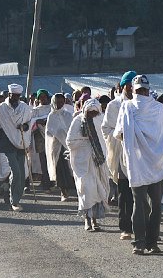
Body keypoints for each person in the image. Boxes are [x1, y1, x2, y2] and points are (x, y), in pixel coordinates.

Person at [115, 74, 163, 255]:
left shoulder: (129, 107)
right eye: (139, 90)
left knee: (143, 204)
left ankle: (143, 242)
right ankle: (146, 242)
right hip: (149, 164)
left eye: (143, 90)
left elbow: (119, 134)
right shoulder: (156, 108)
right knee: (150, 204)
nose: (141, 93)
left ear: (148, 90)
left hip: (139, 164)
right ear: (134, 91)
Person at [67, 98, 111, 232]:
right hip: (83, 163)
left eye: (94, 112)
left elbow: (105, 139)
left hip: (98, 161)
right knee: (86, 189)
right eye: (89, 112)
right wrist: (85, 140)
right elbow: (70, 141)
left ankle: (95, 220)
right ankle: (87, 219)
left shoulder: (100, 119)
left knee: (98, 190)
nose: (92, 115)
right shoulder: (78, 120)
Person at [102, 70, 136, 241]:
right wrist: (120, 137)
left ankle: (143, 227)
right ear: (122, 86)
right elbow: (106, 128)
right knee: (124, 193)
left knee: (142, 194)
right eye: (128, 85)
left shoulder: (143, 104)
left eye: (134, 85)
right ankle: (125, 228)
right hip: (122, 155)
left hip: (140, 157)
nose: (131, 88)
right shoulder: (114, 106)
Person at [0, 83, 32, 211]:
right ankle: (13, 201)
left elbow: (29, 124)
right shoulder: (0, 109)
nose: (15, 98)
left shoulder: (25, 108)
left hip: (20, 143)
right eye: (13, 96)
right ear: (8, 94)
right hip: (6, 144)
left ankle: (12, 193)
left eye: (17, 96)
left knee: (21, 173)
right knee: (15, 171)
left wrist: (24, 127)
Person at [46, 93, 76, 202]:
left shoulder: (68, 115)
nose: (59, 104)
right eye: (57, 102)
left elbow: (72, 129)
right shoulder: (51, 116)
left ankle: (72, 188)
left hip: (68, 146)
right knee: (60, 169)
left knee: (70, 168)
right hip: (57, 147)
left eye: (61, 102)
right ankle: (63, 191)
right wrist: (57, 134)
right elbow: (49, 132)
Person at [32, 89, 53, 190]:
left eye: (44, 97)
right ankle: (45, 180)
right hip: (39, 137)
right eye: (41, 97)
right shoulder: (36, 110)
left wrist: (46, 120)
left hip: (51, 137)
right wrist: (38, 121)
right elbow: (31, 122)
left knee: (51, 159)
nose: (43, 99)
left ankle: (52, 180)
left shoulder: (52, 108)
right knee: (42, 160)